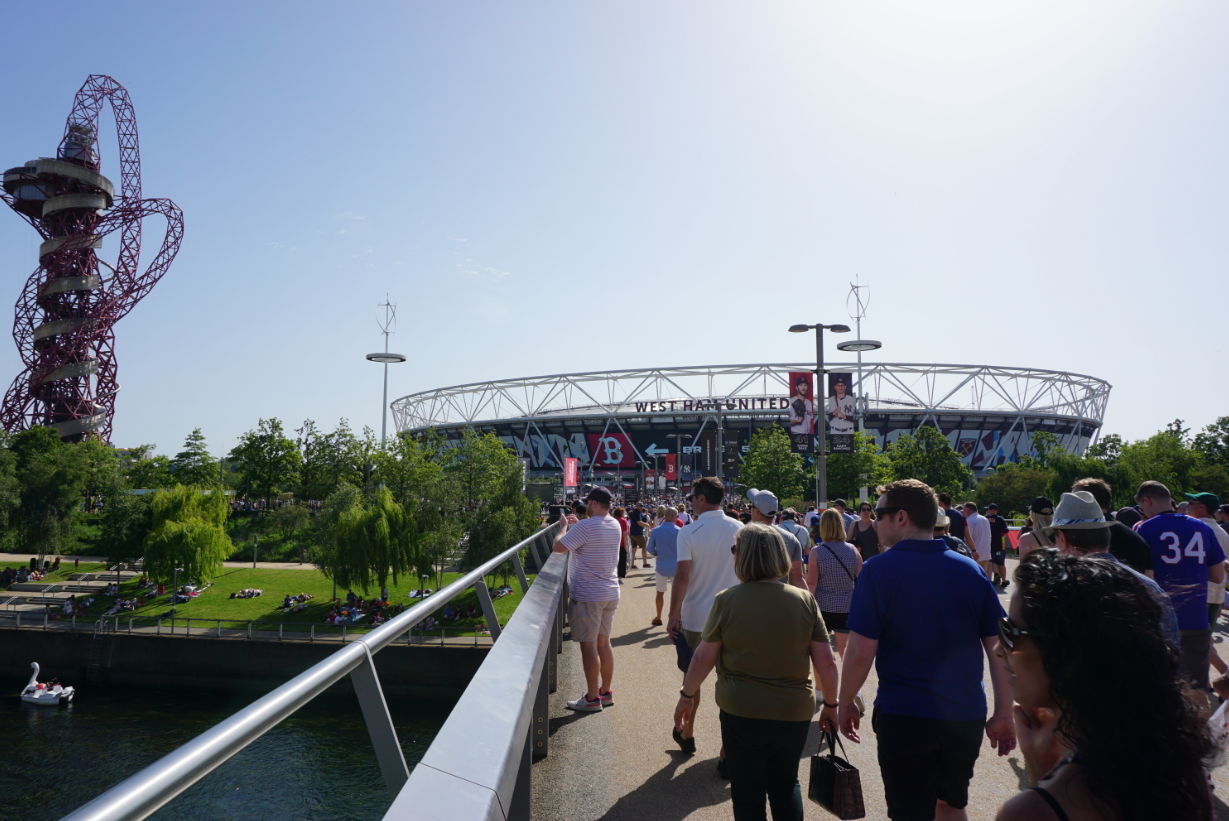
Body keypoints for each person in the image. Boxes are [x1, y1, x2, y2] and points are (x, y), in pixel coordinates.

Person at [838, 479, 1015, 821]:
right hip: (964, 714)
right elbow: (1000, 645)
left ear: (901, 517)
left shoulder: (878, 570)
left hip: (906, 714)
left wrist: (846, 701)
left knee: (909, 812)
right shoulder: (971, 570)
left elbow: (860, 651)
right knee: (951, 805)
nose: (874, 522)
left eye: (879, 514)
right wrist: (1004, 712)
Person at [995, 550, 1214, 821]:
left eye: (1009, 631)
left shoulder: (1033, 812)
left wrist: (1042, 774)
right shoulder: (1183, 767)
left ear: (1069, 651)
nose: (998, 649)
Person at [674, 523, 840, 821]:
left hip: (742, 709)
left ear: (744, 557)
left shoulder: (727, 599)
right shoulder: (804, 601)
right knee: (785, 783)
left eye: (735, 550)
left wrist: (686, 695)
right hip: (793, 710)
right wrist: (830, 704)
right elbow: (826, 662)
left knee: (748, 790)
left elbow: (702, 660)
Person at [1041, 491, 1179, 649]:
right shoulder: (1150, 588)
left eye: (1054, 538)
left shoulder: (1057, 592)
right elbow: (1172, 655)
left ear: (1062, 539)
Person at [667, 476, 744, 757]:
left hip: (697, 616)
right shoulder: (741, 529)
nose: (690, 502)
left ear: (701, 499)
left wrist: (673, 614)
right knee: (731, 683)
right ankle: (727, 750)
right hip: (733, 617)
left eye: (691, 497)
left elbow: (682, 576)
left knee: (692, 679)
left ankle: (688, 733)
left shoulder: (689, 531)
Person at [1134, 481, 1226, 704]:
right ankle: (1200, 737)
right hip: (1195, 617)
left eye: (1142, 507)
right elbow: (1217, 576)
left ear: (1147, 501)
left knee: (1158, 689)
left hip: (1158, 618)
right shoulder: (1202, 527)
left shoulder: (1144, 528)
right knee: (1196, 690)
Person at [553, 487, 623, 712]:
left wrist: (564, 528)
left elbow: (558, 548)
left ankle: (592, 698)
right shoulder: (614, 524)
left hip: (588, 596)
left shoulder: (585, 526)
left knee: (589, 647)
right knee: (604, 643)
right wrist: (578, 525)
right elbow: (594, 538)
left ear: (593, 503)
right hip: (610, 592)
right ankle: (606, 692)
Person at [1071, 477, 1154, 577]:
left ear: (1088, 502)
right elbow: (1149, 578)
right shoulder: (1137, 539)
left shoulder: (1077, 535)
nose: (1069, 505)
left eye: (1073, 500)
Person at [806, 508, 862, 657]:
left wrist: (807, 607)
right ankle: (847, 679)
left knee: (821, 653)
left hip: (823, 606)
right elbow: (862, 578)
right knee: (845, 652)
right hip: (846, 606)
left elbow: (812, 583)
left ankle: (822, 681)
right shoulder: (852, 550)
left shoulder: (816, 552)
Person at [744, 488, 805, 589]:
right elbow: (798, 578)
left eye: (751, 506)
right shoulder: (791, 538)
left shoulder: (744, 537)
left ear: (756, 511)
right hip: (781, 599)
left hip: (751, 598)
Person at [647, 506, 681, 627]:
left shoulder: (656, 531)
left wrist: (658, 554)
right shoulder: (679, 531)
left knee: (660, 593)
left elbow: (649, 548)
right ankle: (677, 618)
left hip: (661, 565)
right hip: (677, 566)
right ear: (673, 516)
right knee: (678, 595)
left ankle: (658, 617)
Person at [962, 502, 992, 578]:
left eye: (964, 509)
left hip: (975, 555)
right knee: (983, 577)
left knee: (974, 578)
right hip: (986, 554)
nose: (962, 511)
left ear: (969, 510)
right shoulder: (984, 519)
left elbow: (967, 538)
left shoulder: (969, 520)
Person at [985, 503, 1010, 588]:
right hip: (999, 545)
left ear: (990, 510)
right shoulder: (1000, 519)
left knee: (989, 563)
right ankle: (1003, 581)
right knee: (1001, 564)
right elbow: (1006, 531)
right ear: (996, 511)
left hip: (988, 544)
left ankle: (990, 580)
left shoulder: (984, 518)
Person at [628, 503, 650, 570]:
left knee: (634, 549)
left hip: (632, 533)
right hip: (638, 533)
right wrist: (647, 525)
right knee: (644, 547)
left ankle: (632, 564)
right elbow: (639, 522)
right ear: (637, 506)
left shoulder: (635, 512)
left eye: (642, 506)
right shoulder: (637, 512)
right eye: (640, 506)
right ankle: (645, 563)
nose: (641, 507)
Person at [612, 505, 631, 579]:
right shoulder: (623, 521)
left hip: (612, 543)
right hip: (621, 543)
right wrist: (626, 545)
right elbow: (625, 533)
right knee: (622, 561)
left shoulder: (612, 520)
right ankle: (620, 577)